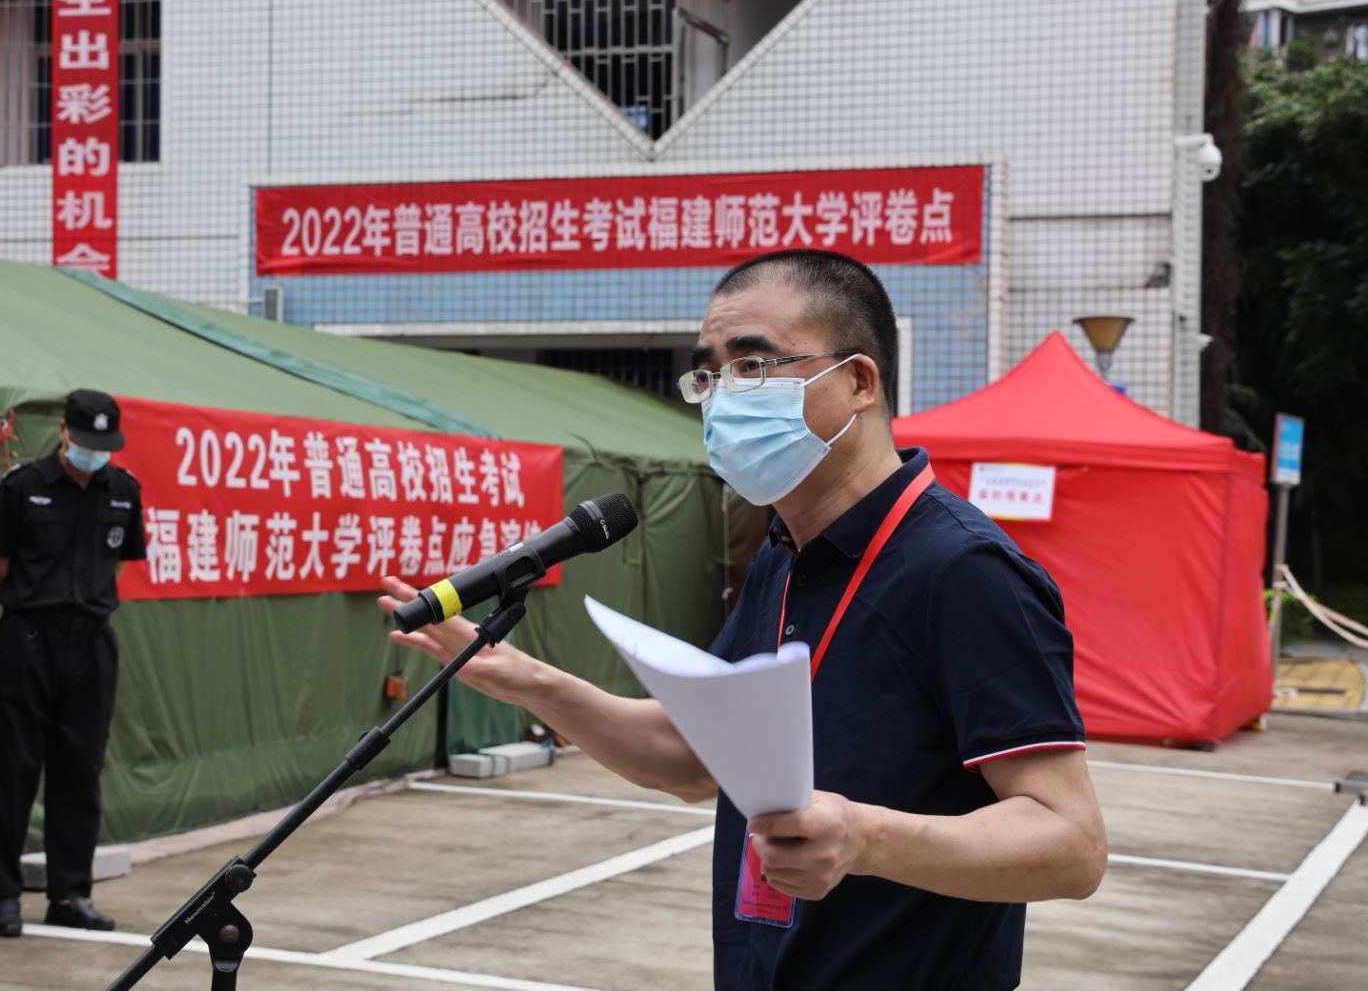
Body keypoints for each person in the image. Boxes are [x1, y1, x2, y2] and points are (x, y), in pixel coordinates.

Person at [379, 250, 1107, 990]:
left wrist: (867, 838)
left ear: (859, 382)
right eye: (709, 375)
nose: (724, 397)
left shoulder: (964, 569)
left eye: (753, 367)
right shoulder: (783, 557)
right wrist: (523, 680)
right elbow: (699, 760)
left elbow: (1071, 844)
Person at [0, 389, 146, 937]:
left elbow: (117, 565)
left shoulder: (124, 491)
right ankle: (2, 892)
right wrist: (35, 613)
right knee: (14, 766)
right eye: (86, 440)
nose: (95, 452)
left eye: (105, 444)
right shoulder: (22, 486)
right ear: (63, 433)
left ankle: (70, 893)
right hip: (29, 639)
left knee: (80, 769)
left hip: (91, 643)